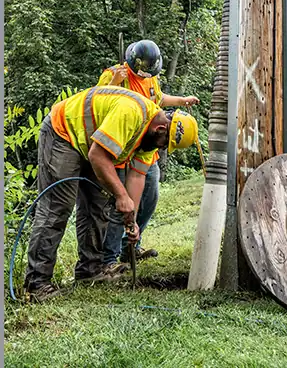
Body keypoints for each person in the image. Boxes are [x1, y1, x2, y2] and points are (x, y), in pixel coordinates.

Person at [24, 85, 198, 302]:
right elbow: (98, 155)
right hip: (63, 133)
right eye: (165, 145)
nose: (162, 149)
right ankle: (36, 283)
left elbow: (136, 176)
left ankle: (90, 271)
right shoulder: (130, 113)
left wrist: (131, 219)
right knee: (57, 208)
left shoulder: (151, 135)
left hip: (91, 145)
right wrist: (121, 195)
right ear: (161, 129)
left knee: (97, 206)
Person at [98, 39, 199, 269]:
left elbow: (159, 99)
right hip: (123, 145)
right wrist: (115, 83)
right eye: (141, 72)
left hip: (146, 146)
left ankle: (131, 244)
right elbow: (99, 101)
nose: (144, 76)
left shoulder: (151, 76)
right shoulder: (115, 74)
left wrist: (182, 100)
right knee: (121, 200)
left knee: (149, 197)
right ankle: (109, 258)